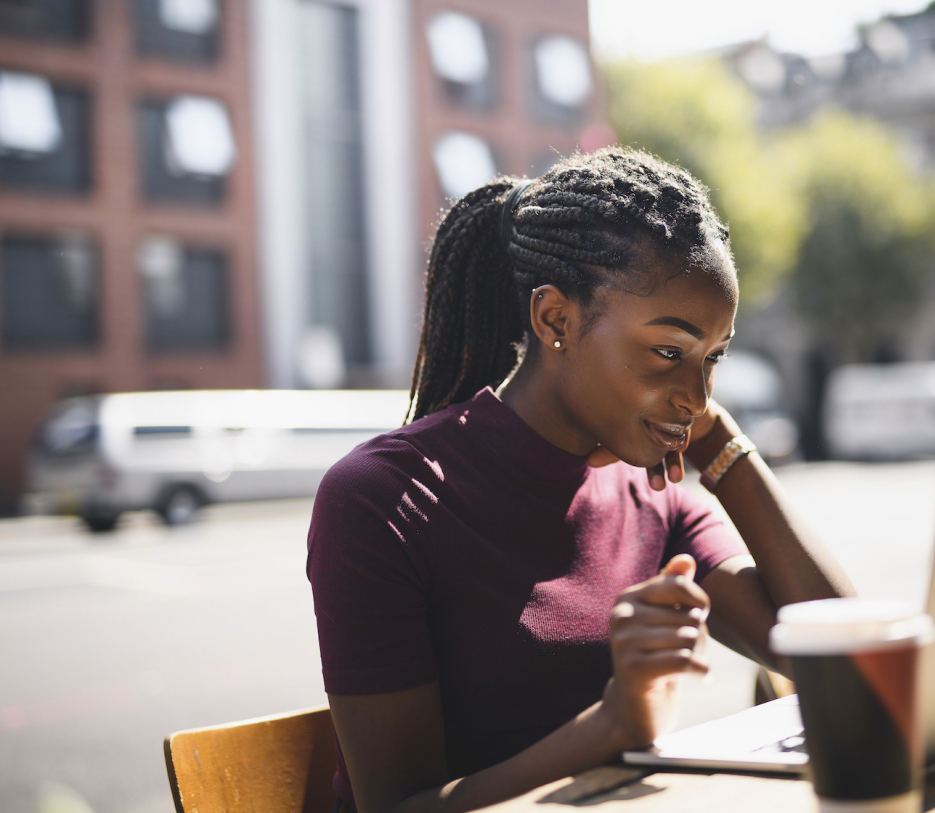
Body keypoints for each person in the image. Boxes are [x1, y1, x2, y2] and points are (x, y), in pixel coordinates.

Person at [306, 148, 855, 813]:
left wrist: (720, 444)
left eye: (713, 358)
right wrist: (612, 726)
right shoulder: (383, 498)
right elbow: (394, 806)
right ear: (555, 320)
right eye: (668, 352)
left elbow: (845, 663)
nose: (696, 393)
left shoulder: (652, 496)